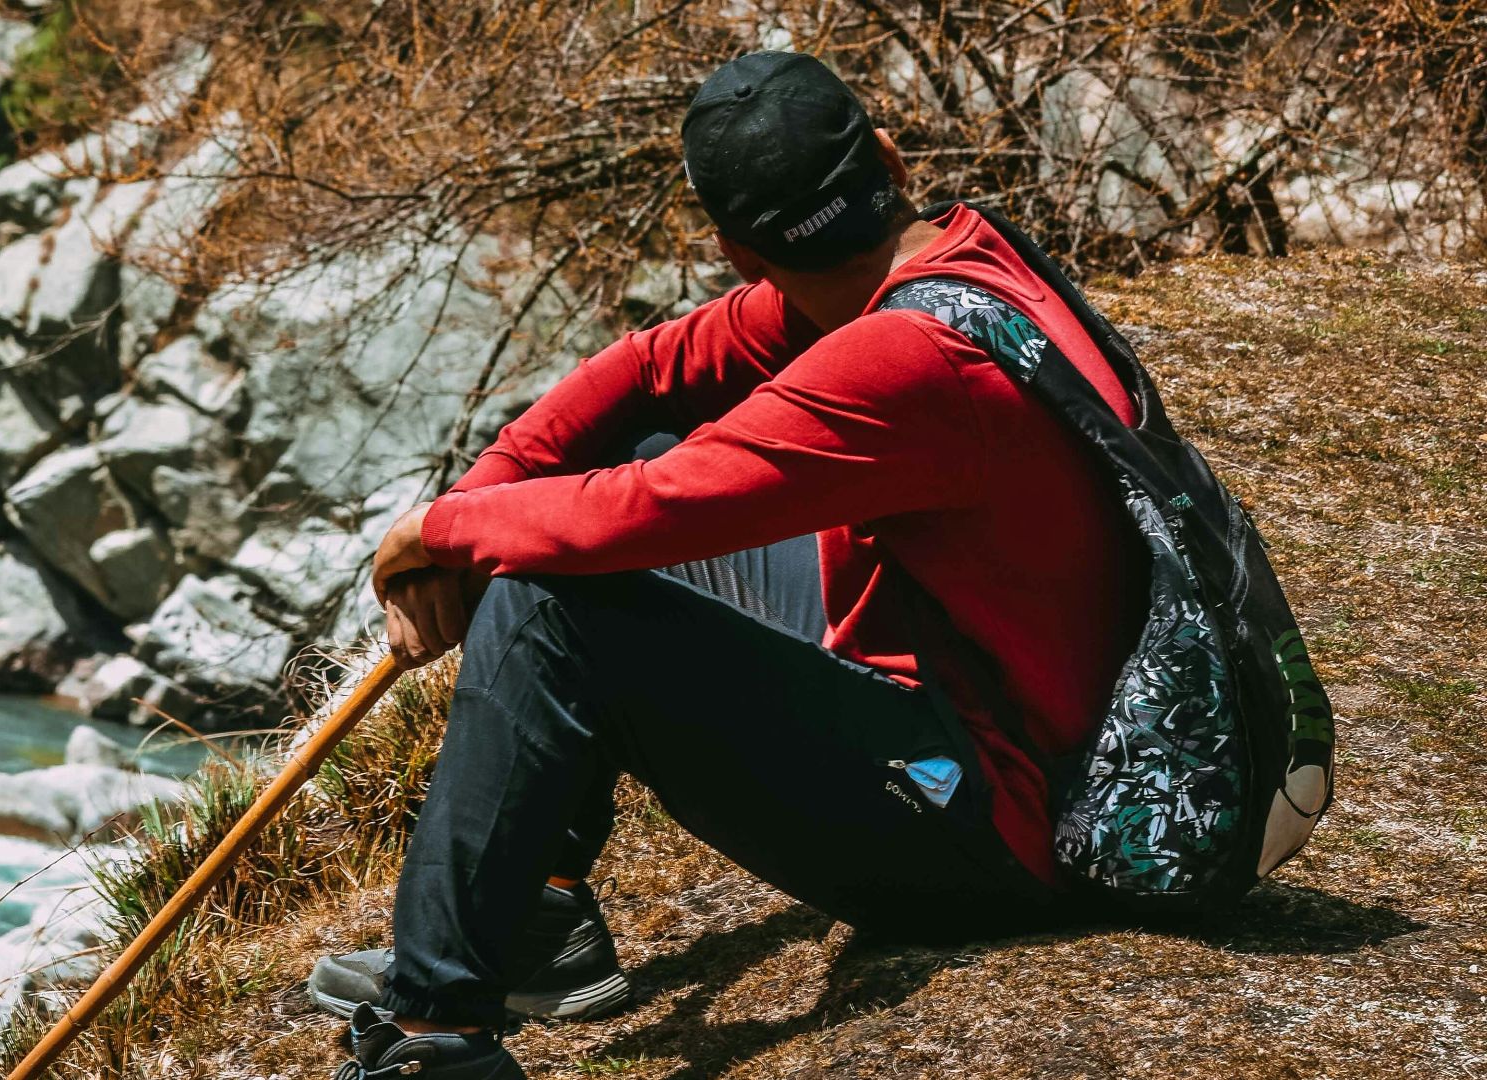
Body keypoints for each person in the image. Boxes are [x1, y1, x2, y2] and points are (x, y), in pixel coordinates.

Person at [319, 50, 1148, 1079]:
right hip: (1018, 724)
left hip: (1004, 831)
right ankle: (537, 911)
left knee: (550, 592)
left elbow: (649, 510)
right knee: (587, 491)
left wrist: (442, 535)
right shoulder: (948, 263)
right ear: (888, 158)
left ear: (735, 248)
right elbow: (650, 371)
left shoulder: (902, 362)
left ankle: (431, 1034)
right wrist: (480, 501)